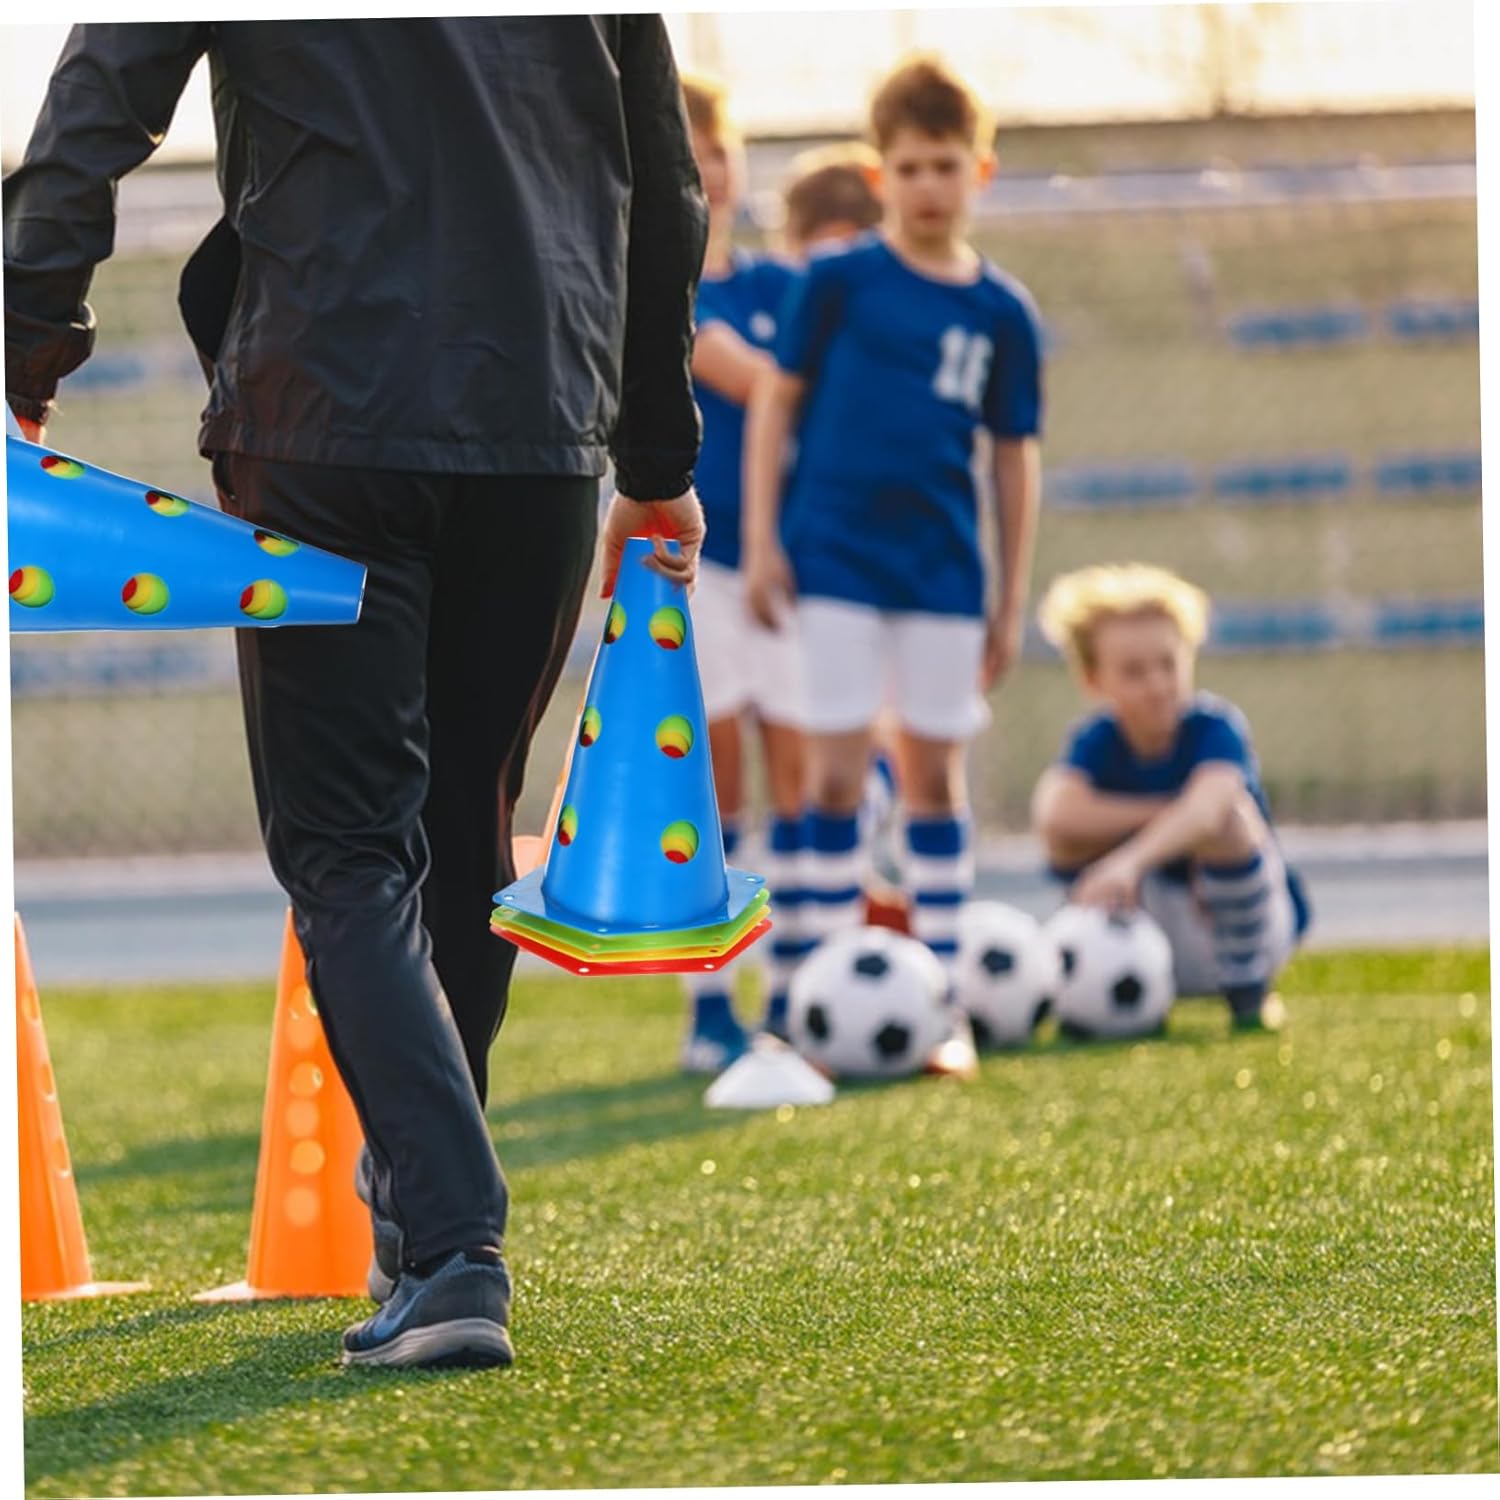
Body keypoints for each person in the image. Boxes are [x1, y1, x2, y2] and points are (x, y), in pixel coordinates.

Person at [4, 17, 708, 1369]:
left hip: (323, 408)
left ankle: (449, 1250)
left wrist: (27, 343)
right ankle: (426, 1237)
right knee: (460, 830)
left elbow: (104, 93)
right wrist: (655, 452)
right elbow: (662, 182)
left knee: (346, 850)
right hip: (539, 420)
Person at [742, 55, 1043, 983]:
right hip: (832, 556)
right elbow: (777, 405)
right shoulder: (836, 281)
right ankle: (823, 990)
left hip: (943, 570)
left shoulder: (1003, 313)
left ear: (978, 172)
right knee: (831, 776)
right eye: (908, 167)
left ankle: (939, 996)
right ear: (881, 176)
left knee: (934, 781)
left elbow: (1011, 455)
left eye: (945, 165)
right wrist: (761, 541)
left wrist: (1008, 593)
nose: (927, 185)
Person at [676, 85, 884, 1067]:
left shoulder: (779, 282)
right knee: (716, 795)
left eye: (718, 148)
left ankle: (800, 990)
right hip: (696, 569)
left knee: (804, 784)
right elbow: (761, 382)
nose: (709, 168)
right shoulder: (662, 294)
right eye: (687, 150)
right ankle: (710, 1002)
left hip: (790, 573)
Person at [1031, 563, 1312, 1031]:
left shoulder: (1215, 728)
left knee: (1228, 820)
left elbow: (1209, 810)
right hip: (1152, 927)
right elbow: (1054, 814)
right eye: (1134, 672)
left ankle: (1248, 991)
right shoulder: (1097, 740)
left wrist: (1129, 860)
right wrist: (1167, 815)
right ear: (1094, 680)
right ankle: (1115, 988)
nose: (1158, 685)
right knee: (1067, 837)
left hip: (1238, 932)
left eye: (1168, 664)